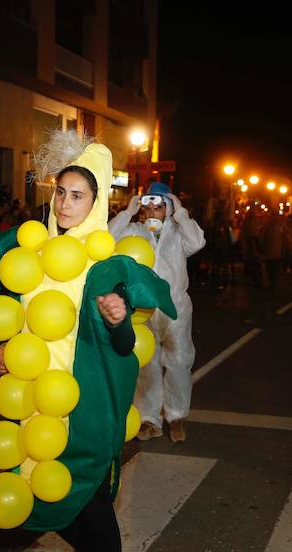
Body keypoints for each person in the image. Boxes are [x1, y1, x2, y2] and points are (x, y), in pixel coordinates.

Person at [0, 132, 175, 548]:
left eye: (78, 196)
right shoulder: (33, 254)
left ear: (96, 203)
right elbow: (23, 318)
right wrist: (7, 347)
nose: (66, 204)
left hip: (83, 408)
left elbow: (124, 348)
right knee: (40, 497)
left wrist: (120, 318)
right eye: (61, 193)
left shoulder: (103, 266)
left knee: (88, 506)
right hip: (35, 406)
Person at [109, 181, 206, 443]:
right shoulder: (134, 231)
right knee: (147, 363)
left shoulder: (178, 232)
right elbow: (107, 239)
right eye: (149, 207)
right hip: (143, 307)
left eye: (160, 206)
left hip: (175, 307)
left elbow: (197, 242)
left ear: (168, 208)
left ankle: (176, 416)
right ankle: (149, 418)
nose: (153, 212)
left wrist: (180, 212)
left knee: (178, 361)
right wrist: (126, 212)